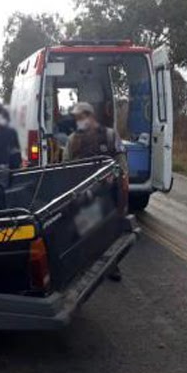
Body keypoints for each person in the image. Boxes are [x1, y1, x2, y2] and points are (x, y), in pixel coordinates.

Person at [64, 101, 126, 281]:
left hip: (107, 192)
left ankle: (111, 266)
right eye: (77, 118)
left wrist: (118, 179)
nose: (79, 121)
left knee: (109, 231)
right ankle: (83, 268)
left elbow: (121, 163)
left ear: (91, 117)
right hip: (84, 193)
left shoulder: (109, 135)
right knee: (82, 231)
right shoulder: (72, 140)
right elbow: (65, 168)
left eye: (82, 116)